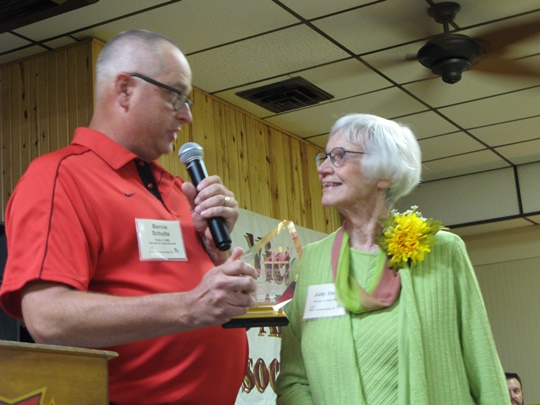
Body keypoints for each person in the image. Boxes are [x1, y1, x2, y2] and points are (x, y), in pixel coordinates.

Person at [0, 30, 257, 405]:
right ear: (124, 90)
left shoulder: (178, 189)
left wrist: (215, 256)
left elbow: (190, 297)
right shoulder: (60, 178)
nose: (186, 115)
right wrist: (192, 306)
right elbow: (48, 319)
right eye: (175, 96)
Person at [275, 113, 509, 404]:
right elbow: (293, 380)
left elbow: (483, 366)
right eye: (324, 157)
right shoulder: (311, 261)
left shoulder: (441, 250)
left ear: (384, 173)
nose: (322, 168)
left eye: (340, 156)